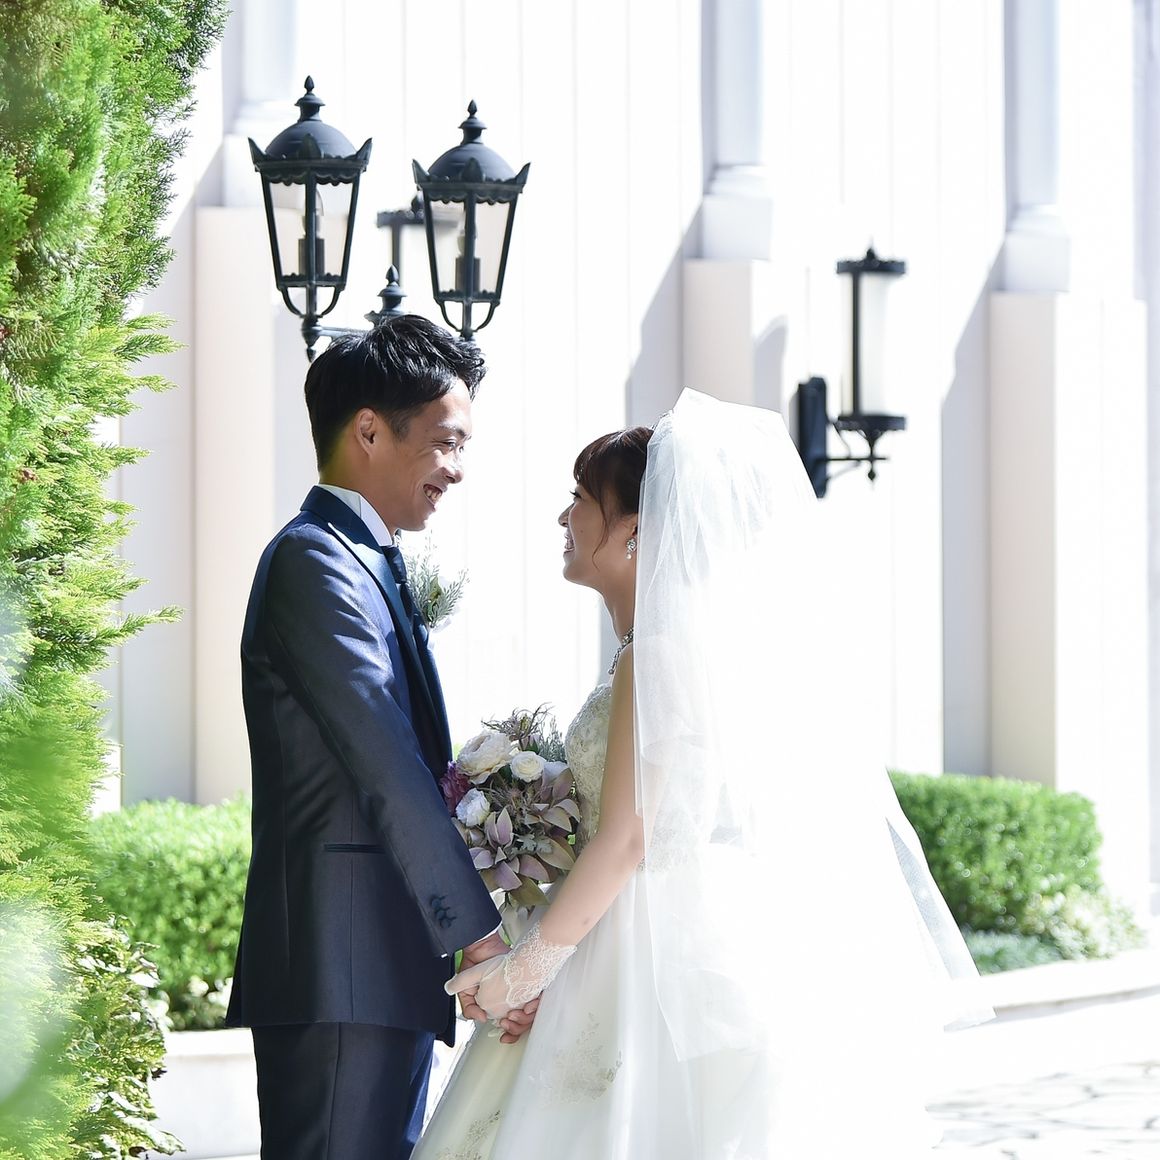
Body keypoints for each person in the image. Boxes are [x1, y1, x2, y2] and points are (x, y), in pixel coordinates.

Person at [415, 388, 990, 1159]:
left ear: (634, 530)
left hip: (647, 942)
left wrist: (527, 971)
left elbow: (628, 838)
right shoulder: (657, 649)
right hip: (653, 923)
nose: (563, 517)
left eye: (580, 498)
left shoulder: (655, 655)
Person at [225, 316, 533, 1160]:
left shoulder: (363, 557)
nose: (457, 470)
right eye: (445, 442)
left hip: (377, 971)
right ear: (368, 431)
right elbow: (388, 766)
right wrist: (479, 938)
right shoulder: (316, 561)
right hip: (342, 968)